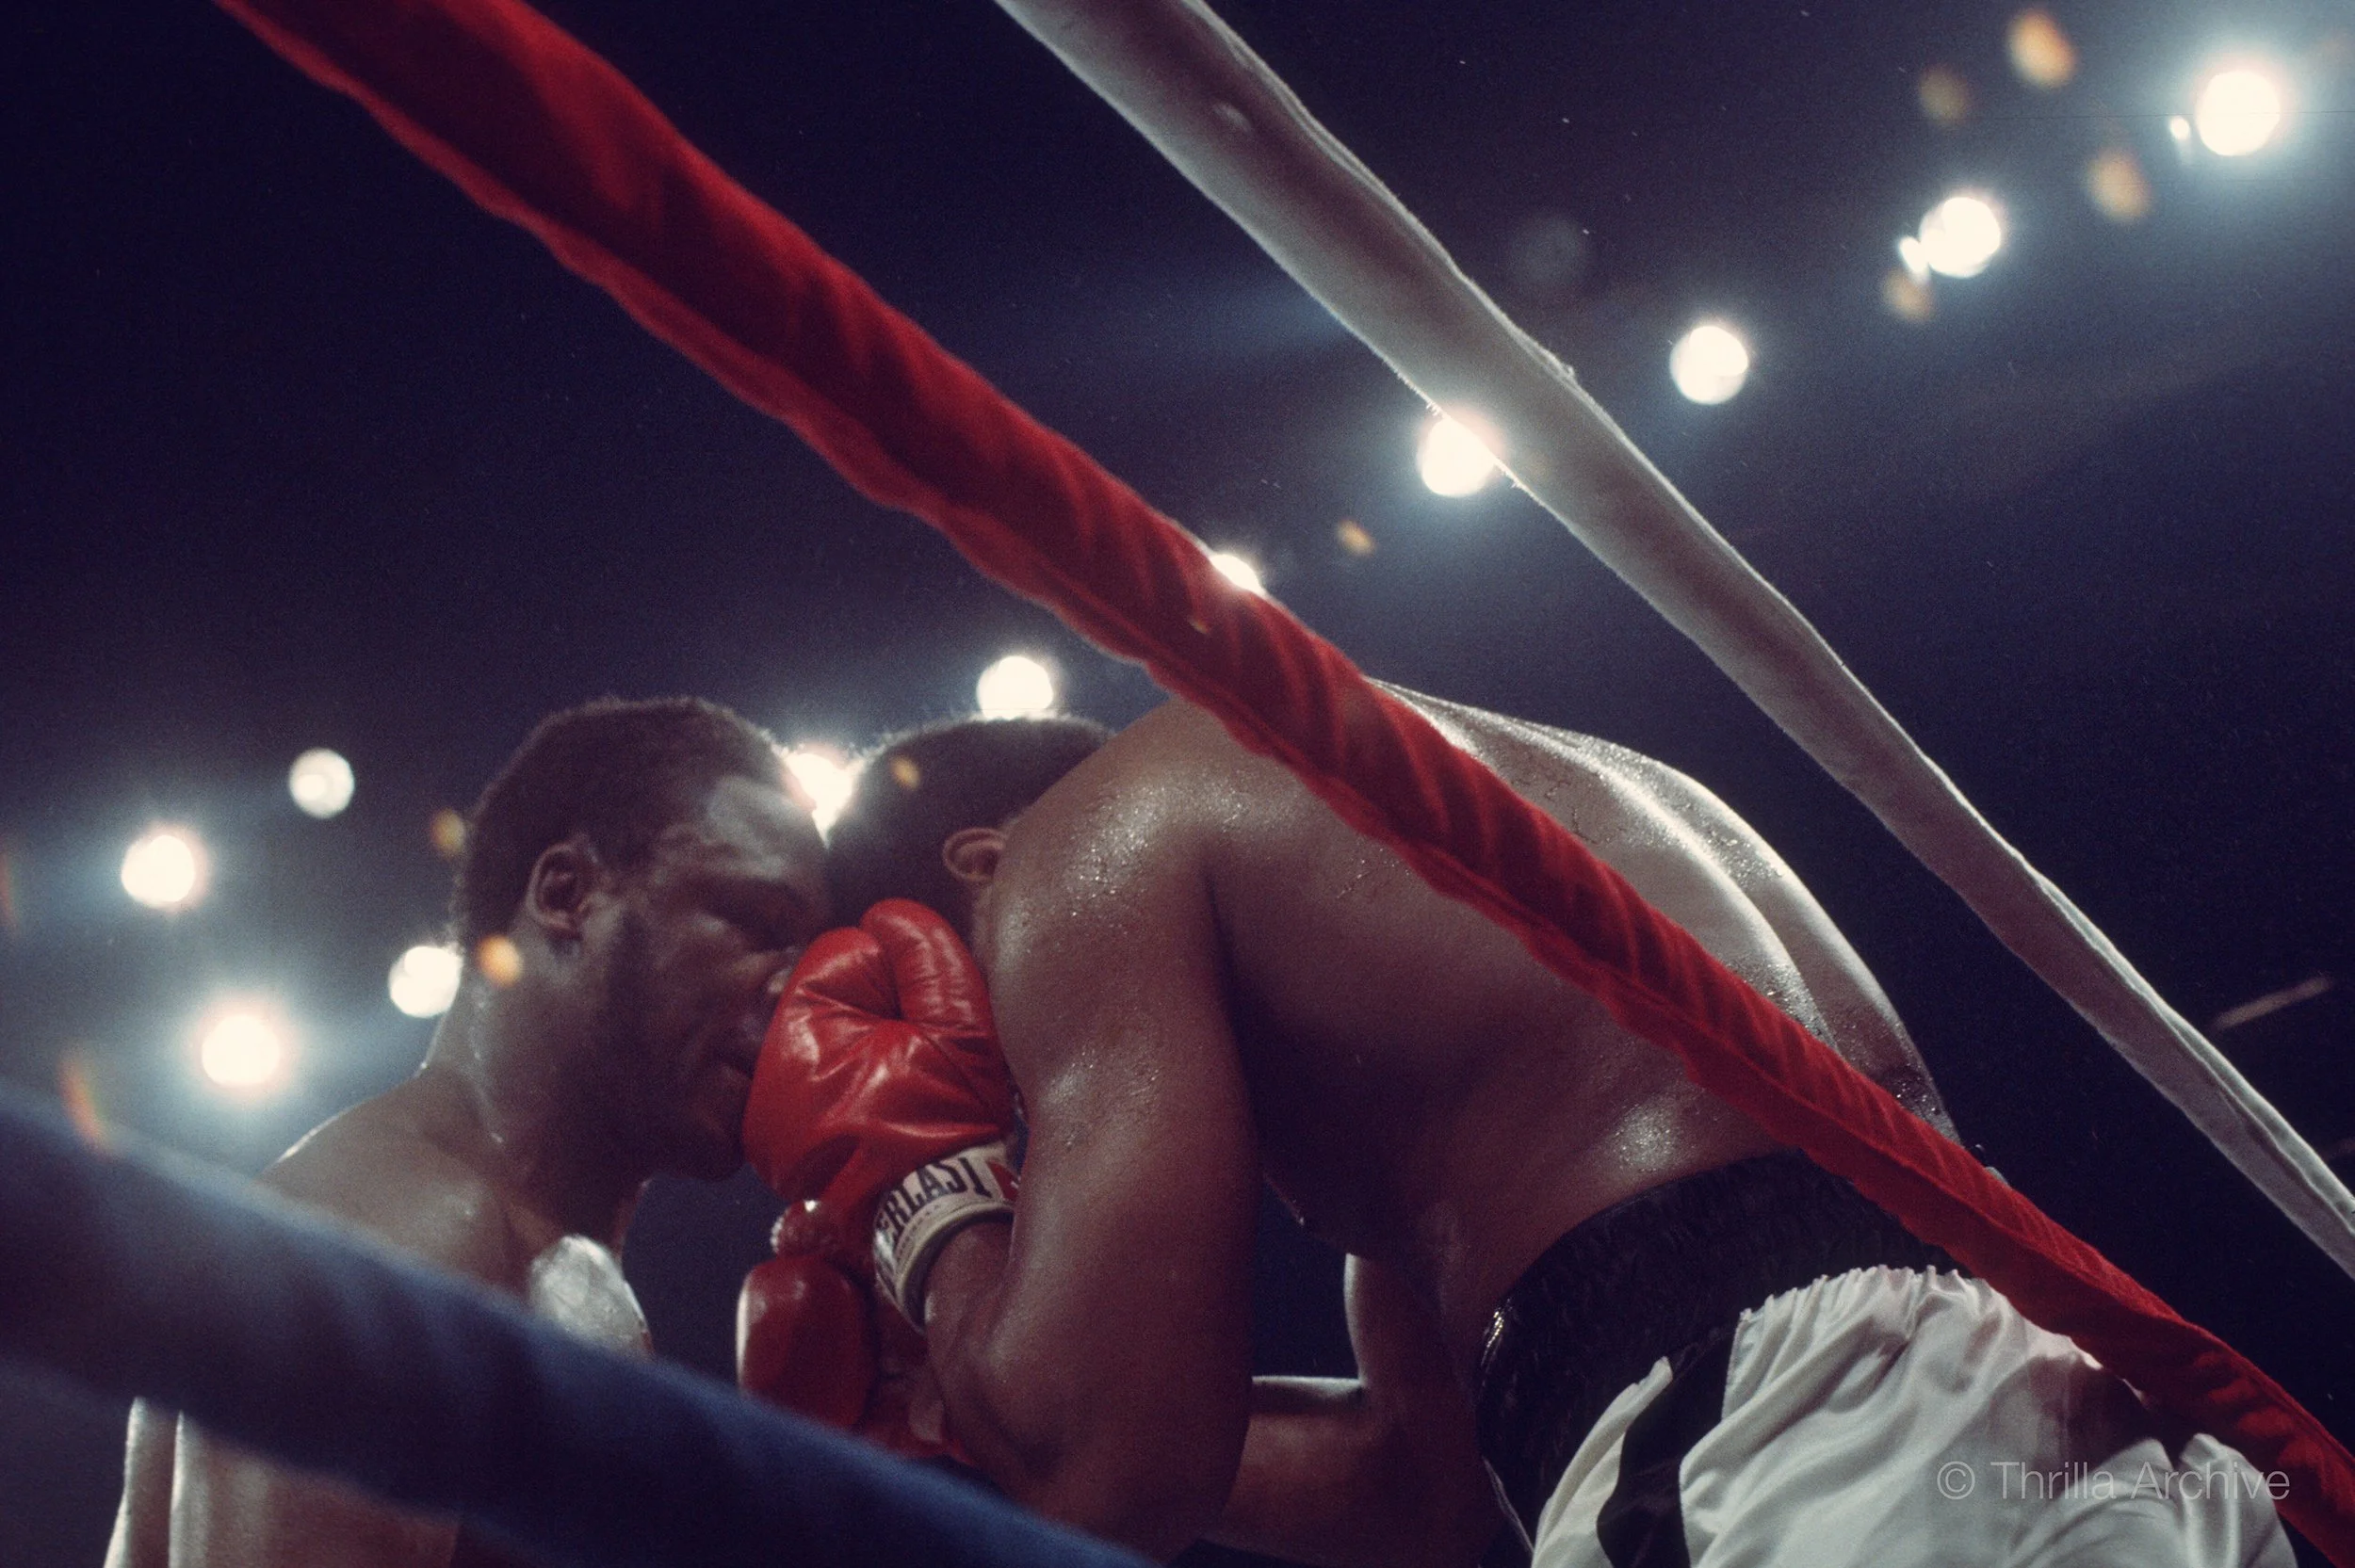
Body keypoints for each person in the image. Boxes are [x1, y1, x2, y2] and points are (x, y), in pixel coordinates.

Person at [744, 693, 2292, 1568]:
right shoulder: (1399, 862)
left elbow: (1108, 1474)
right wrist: (972, 1410)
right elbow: (1426, 1493)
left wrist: (925, 1197)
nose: (1033, 1121)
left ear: (977, 870)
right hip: (2050, 1427)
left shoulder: (1078, 849)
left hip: (1793, 1458)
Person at [106, 696, 831, 1568]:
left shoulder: (548, 1262)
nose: (800, 992)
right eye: (758, 924)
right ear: (568, 895)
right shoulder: (396, 1229)